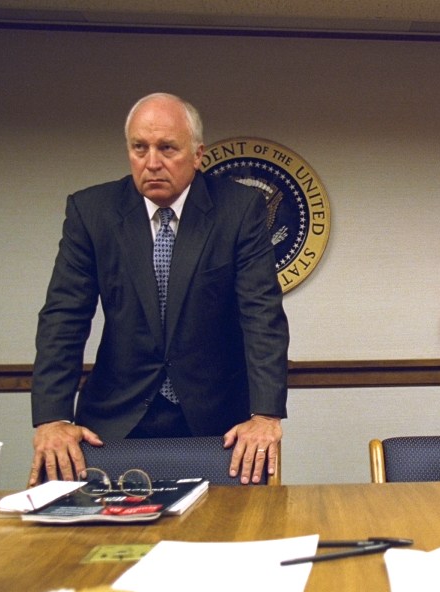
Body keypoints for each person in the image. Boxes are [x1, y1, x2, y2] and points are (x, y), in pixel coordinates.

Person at [29, 92, 289, 485]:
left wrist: (265, 415)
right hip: (114, 417)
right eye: (140, 148)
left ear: (198, 154)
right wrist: (52, 417)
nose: (152, 162)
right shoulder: (92, 211)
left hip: (217, 420)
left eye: (167, 148)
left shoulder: (239, 209)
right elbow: (63, 317)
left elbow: (261, 315)